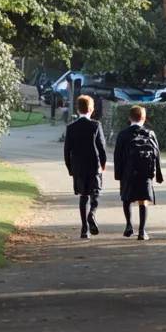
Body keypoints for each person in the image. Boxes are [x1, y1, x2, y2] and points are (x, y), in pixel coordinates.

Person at [114, 105, 163, 240]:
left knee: (127, 199)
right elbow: (157, 154)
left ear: (130, 118)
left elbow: (117, 156)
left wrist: (118, 174)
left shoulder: (123, 134)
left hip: (127, 172)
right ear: (143, 118)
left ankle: (129, 225)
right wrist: (157, 175)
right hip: (145, 173)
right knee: (143, 200)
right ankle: (142, 230)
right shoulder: (150, 134)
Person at [64, 95, 107, 239]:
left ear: (78, 109)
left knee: (83, 196)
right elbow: (101, 147)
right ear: (91, 109)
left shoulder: (71, 127)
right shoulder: (95, 125)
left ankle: (84, 228)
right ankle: (92, 214)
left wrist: (70, 167)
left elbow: (67, 150)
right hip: (93, 164)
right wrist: (103, 162)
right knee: (95, 193)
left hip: (78, 166)